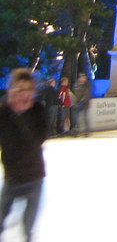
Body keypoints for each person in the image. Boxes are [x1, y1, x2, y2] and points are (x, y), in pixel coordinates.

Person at [0, 69, 48, 242]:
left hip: (34, 177)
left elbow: (38, 139)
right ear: (11, 89)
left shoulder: (38, 110)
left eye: (28, 89)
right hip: (12, 177)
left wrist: (23, 116)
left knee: (28, 228)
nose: (24, 94)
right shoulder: (3, 111)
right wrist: (11, 108)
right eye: (20, 89)